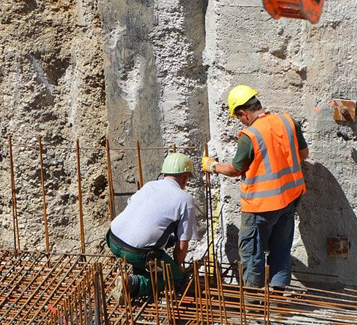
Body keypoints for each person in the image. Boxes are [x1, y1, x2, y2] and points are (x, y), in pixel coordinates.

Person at [202, 85, 308, 290]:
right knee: (281, 249)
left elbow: (235, 169)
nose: (240, 122)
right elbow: (303, 154)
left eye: (238, 117)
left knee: (251, 253)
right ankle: (276, 299)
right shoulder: (288, 122)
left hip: (260, 205)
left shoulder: (249, 135)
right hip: (289, 199)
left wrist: (212, 166)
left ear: (243, 112)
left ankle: (254, 302)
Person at [107, 152, 197, 303]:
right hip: (136, 253)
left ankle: (137, 276)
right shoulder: (185, 199)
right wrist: (177, 267)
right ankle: (134, 284)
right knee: (176, 280)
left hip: (112, 239)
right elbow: (182, 244)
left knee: (149, 249)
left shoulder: (149, 186)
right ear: (185, 177)